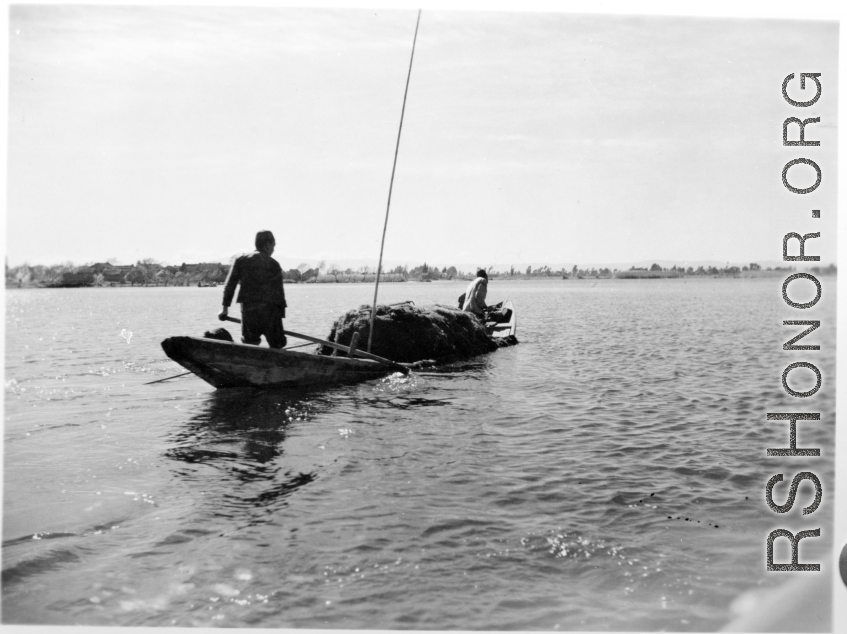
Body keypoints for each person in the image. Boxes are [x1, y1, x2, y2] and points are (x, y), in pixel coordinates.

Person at [218, 230, 287, 348]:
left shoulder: (241, 260)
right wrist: (279, 327)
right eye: (273, 246)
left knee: (250, 343)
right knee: (278, 344)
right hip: (271, 314)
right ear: (267, 245)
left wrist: (225, 309)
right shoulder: (274, 264)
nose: (274, 249)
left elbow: (230, 285)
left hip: (249, 313)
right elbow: (280, 295)